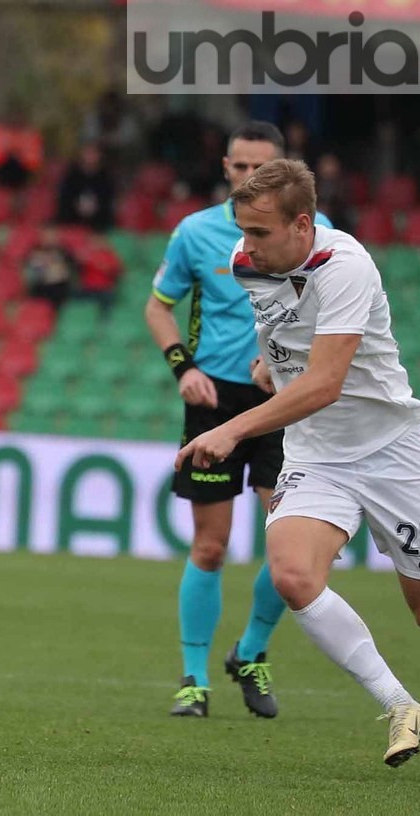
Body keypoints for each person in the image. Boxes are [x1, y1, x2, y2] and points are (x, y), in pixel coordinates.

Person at [176, 158, 420, 766]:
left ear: (303, 224)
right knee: (292, 576)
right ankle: (401, 705)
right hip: (316, 454)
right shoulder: (249, 265)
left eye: (260, 232)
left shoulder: (345, 266)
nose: (246, 246)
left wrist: (233, 429)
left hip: (389, 453)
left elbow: (326, 382)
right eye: (242, 229)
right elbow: (278, 325)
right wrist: (269, 363)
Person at [145, 121, 333, 720]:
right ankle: (194, 680)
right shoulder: (196, 233)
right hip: (213, 403)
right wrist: (183, 369)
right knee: (211, 544)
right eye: (238, 167)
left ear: (283, 173)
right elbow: (158, 307)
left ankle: (250, 651)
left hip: (283, 400)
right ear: (225, 167)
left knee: (288, 551)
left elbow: (331, 313)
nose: (247, 178)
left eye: (261, 169)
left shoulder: (319, 236)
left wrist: (285, 357)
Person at [55, 142, 116, 233]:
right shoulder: (71, 174)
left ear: (100, 156)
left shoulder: (106, 176)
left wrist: (95, 207)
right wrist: (76, 206)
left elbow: (108, 199)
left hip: (99, 221)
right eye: (87, 153)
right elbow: (64, 197)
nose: (90, 157)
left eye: (93, 153)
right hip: (73, 217)